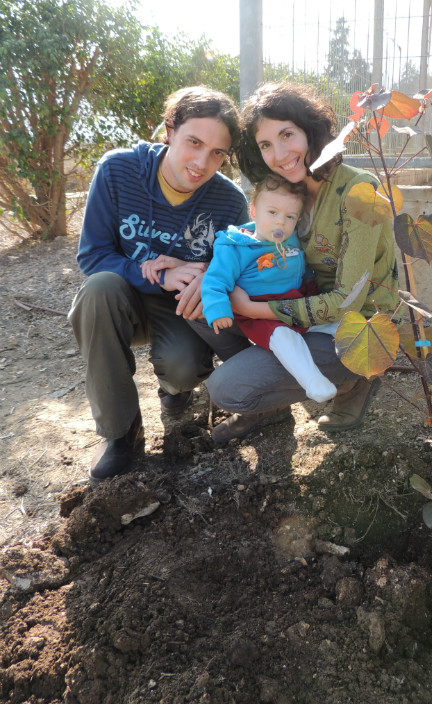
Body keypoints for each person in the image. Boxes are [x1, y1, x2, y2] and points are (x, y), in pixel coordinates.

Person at [189, 81, 399, 445]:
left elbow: (346, 300)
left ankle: (355, 379)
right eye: (266, 145)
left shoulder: (359, 191)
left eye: (287, 134)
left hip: (353, 325)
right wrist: (213, 276)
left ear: (311, 131)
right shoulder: (290, 191)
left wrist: (253, 309)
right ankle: (274, 396)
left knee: (227, 389)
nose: (280, 153)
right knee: (198, 304)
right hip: (299, 308)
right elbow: (257, 241)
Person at [68, 86, 249, 483]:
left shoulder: (229, 202)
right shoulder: (118, 171)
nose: (203, 162)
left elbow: (236, 267)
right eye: (194, 142)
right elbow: (92, 255)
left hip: (178, 307)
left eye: (218, 153)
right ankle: (121, 433)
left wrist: (205, 274)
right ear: (170, 130)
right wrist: (158, 272)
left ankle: (174, 386)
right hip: (123, 297)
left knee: (184, 368)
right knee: (97, 291)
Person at [201, 173, 338, 403]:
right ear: (253, 211)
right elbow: (215, 280)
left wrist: (312, 287)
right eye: (272, 213)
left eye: (290, 216)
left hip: (297, 302)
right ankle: (313, 382)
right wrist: (218, 310)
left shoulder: (291, 240)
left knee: (334, 321)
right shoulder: (235, 247)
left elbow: (302, 268)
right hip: (262, 313)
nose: (280, 222)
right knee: (284, 338)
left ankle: (365, 351)